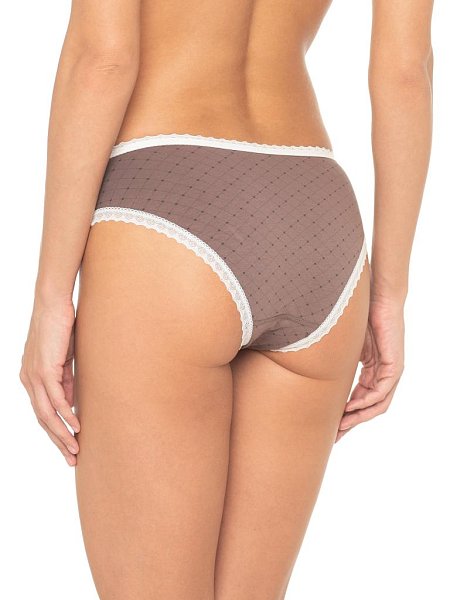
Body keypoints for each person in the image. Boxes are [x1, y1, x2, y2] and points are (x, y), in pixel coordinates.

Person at [19, 0, 434, 598]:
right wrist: (389, 294)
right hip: (316, 220)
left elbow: (102, 59)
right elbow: (406, 70)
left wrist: (52, 295)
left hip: (167, 207)